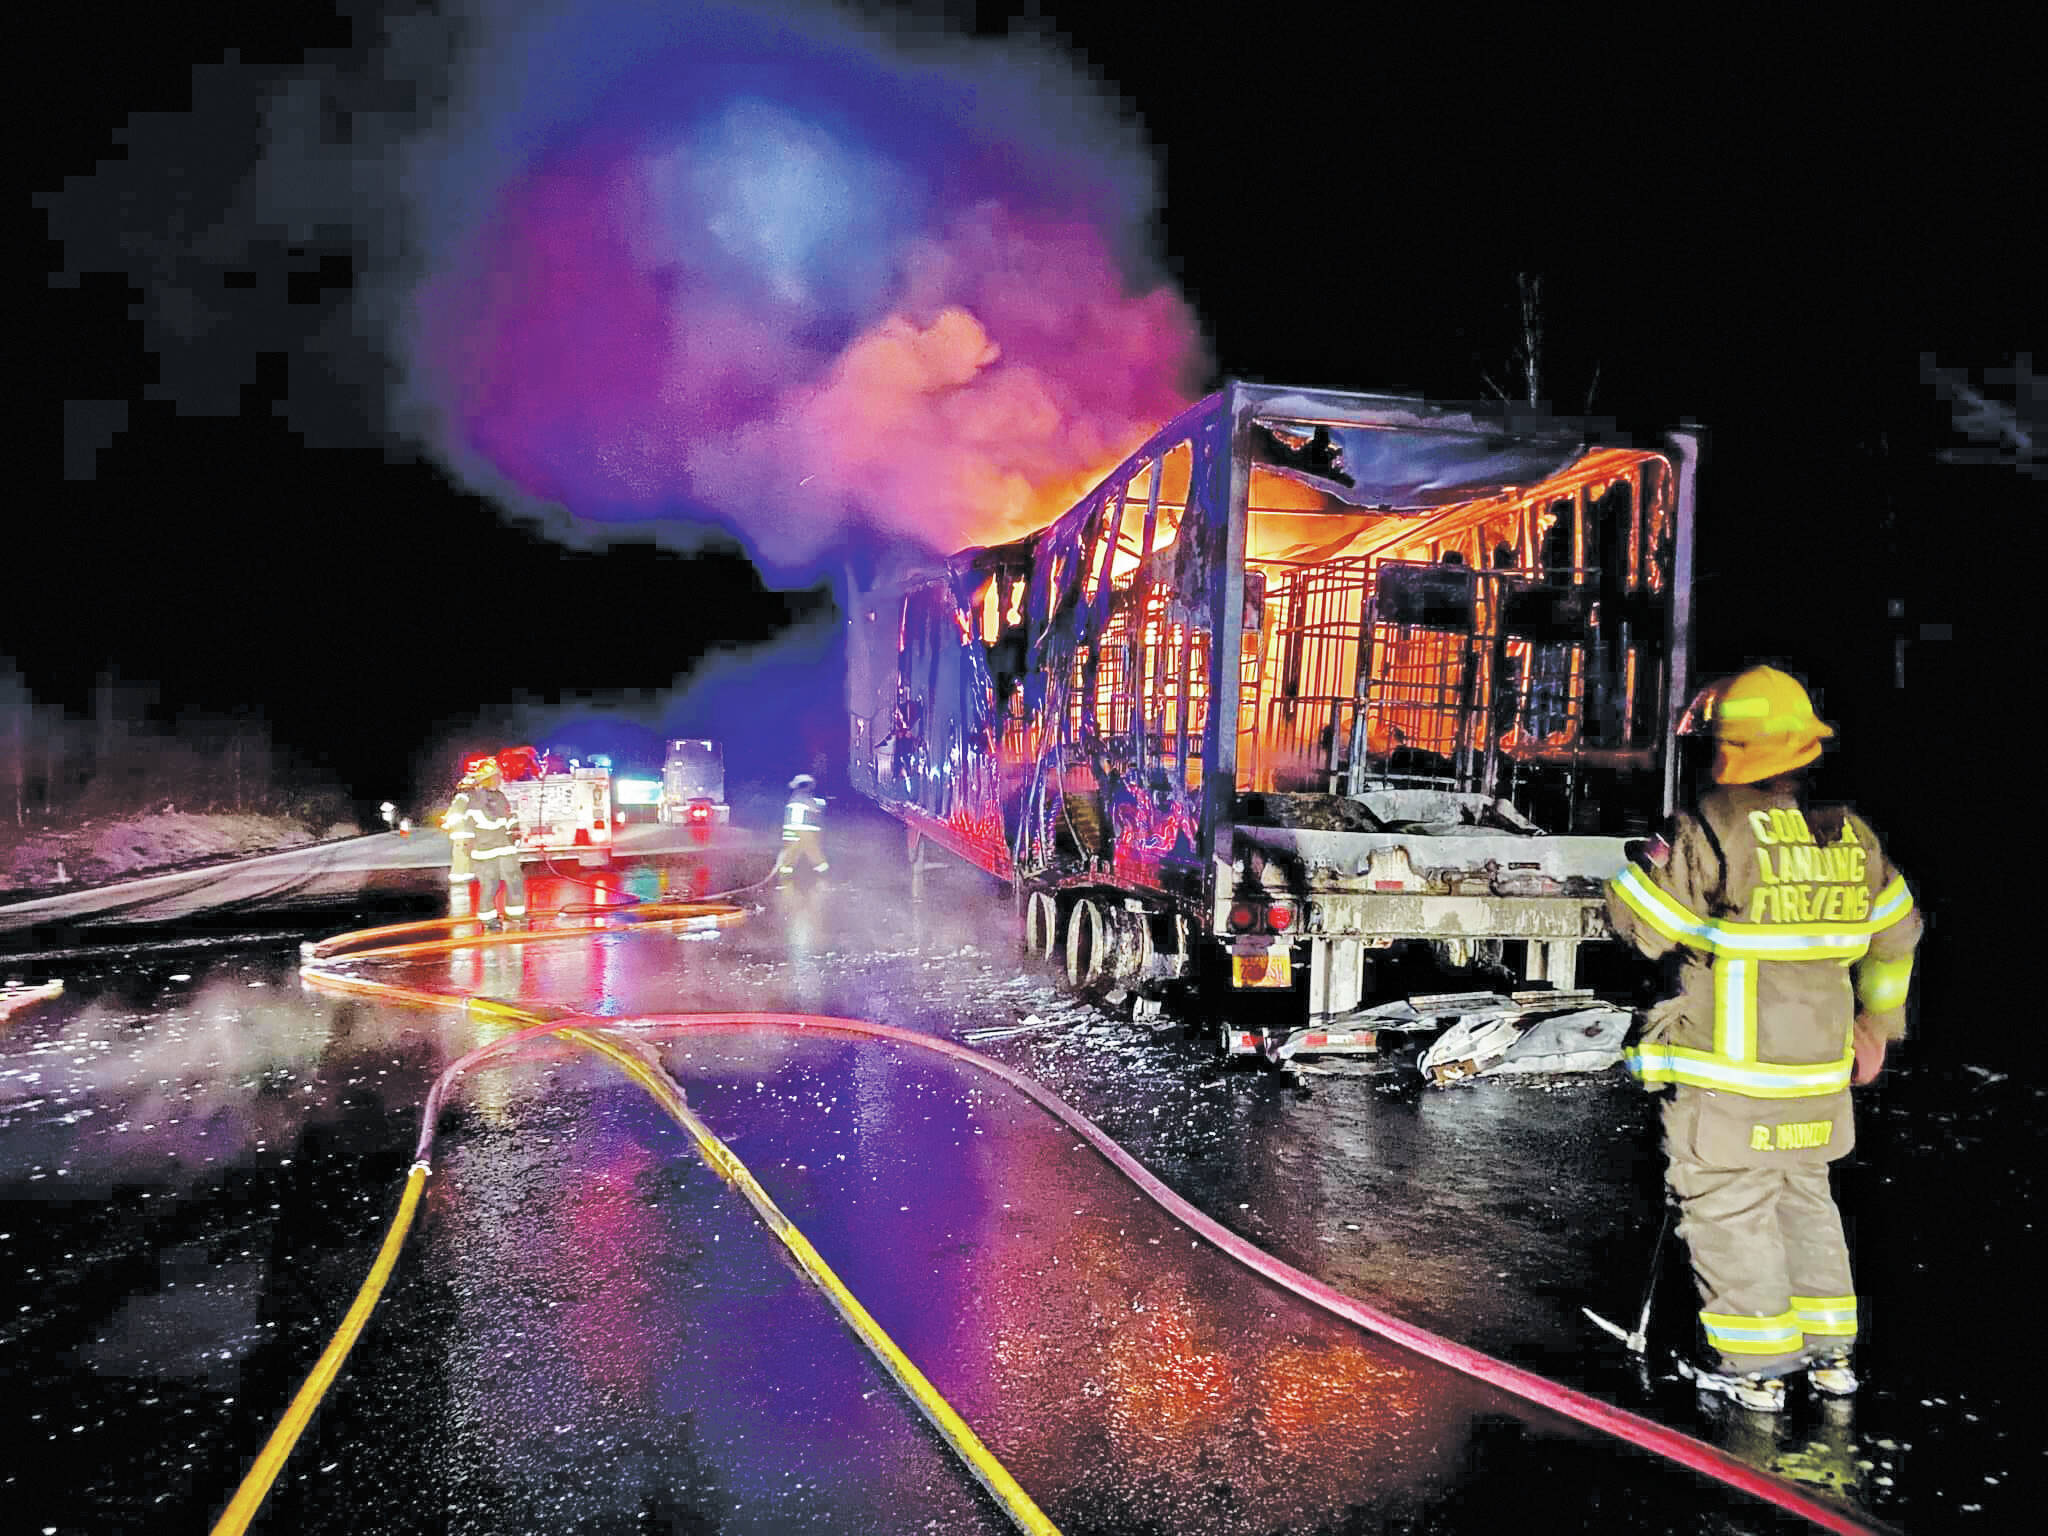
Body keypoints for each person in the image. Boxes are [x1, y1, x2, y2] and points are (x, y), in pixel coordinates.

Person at [1605, 665, 1921, 1413]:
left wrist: (1634, 876)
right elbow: (1896, 939)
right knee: (1805, 1200)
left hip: (1730, 1076)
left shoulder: (1709, 829)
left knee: (1727, 1206)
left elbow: (1644, 929)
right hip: (1817, 1079)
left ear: (1727, 748)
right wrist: (1877, 1027)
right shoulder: (1851, 834)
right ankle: (1829, 1357)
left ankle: (1754, 1370)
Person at [465, 757, 528, 925]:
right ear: (488, 778)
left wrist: (514, 828)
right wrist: (503, 823)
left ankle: (515, 914)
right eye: (496, 776)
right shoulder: (476, 798)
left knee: (515, 880)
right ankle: (488, 919)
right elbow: (484, 819)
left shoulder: (499, 796)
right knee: (490, 884)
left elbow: (508, 815)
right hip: (486, 850)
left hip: (505, 847)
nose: (500, 779)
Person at [773, 773, 829, 881]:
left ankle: (785, 875)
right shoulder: (806, 799)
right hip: (805, 830)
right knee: (812, 851)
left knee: (791, 853)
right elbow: (815, 810)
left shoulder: (794, 799)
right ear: (806, 786)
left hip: (790, 830)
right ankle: (823, 873)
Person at [442, 772, 477, 887]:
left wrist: (447, 824)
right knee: (466, 854)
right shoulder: (474, 799)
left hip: (461, 832)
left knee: (460, 854)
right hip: (470, 832)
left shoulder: (461, 798)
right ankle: (466, 873)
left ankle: (458, 875)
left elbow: (455, 814)